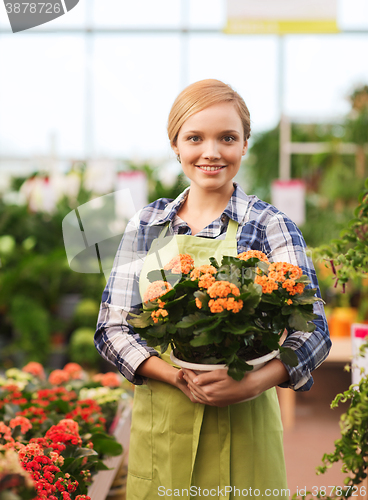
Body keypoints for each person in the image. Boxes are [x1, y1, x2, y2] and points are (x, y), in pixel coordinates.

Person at [95, 79, 331, 499]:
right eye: (195, 138)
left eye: (227, 137)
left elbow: (313, 330)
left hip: (246, 420)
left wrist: (255, 382)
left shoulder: (270, 225)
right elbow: (112, 327)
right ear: (175, 145)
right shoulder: (147, 225)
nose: (211, 151)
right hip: (164, 421)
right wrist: (175, 375)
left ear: (244, 145)